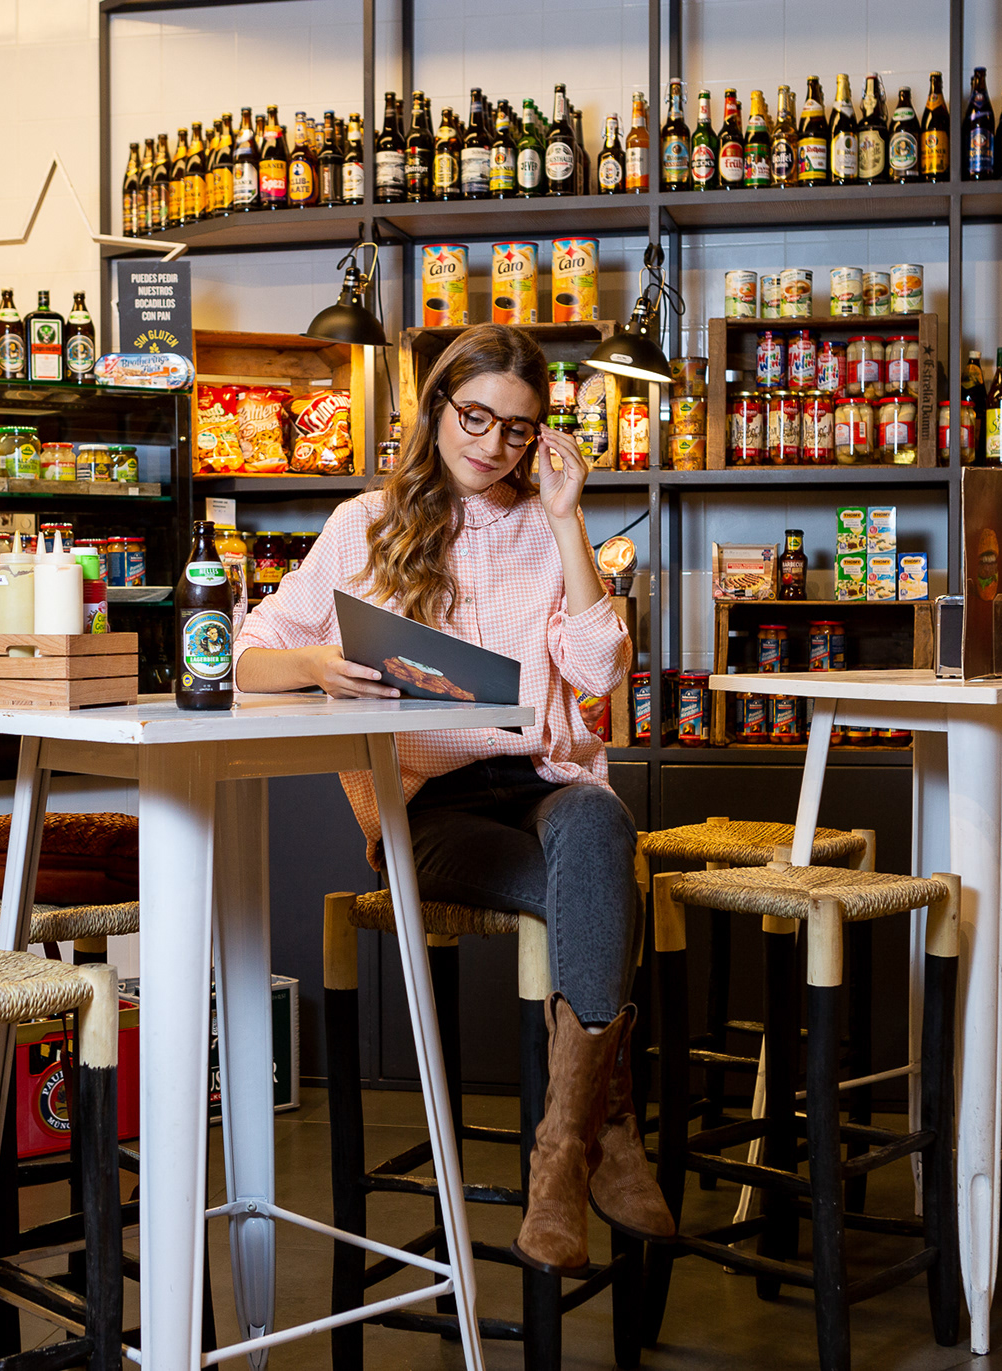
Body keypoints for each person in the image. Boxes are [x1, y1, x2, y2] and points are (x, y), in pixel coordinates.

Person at [234, 323, 674, 1273]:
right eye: (475, 416)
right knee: (597, 888)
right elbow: (246, 656)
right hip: (427, 805)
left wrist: (567, 519)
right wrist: (318, 662)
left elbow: (600, 672)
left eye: (517, 429)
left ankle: (558, 1157)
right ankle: (608, 1128)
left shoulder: (547, 528)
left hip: (544, 783)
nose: (492, 444)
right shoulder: (364, 523)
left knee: (600, 821)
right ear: (437, 407)